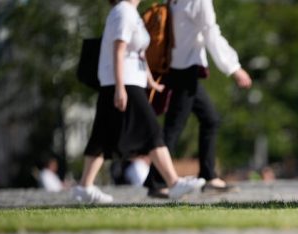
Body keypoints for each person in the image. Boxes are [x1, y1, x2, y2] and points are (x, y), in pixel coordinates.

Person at [73, 0, 205, 204]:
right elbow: (118, 49)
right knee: (153, 131)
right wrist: (119, 87)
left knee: (101, 138)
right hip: (124, 82)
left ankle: (84, 187)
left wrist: (151, 81)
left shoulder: (131, 13)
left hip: (129, 82)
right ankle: (173, 182)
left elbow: (139, 53)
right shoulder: (123, 12)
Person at [144, 0, 253, 198]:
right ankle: (157, 181)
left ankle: (208, 176)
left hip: (177, 67)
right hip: (186, 69)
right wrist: (234, 68)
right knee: (174, 127)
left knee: (210, 119)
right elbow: (211, 33)